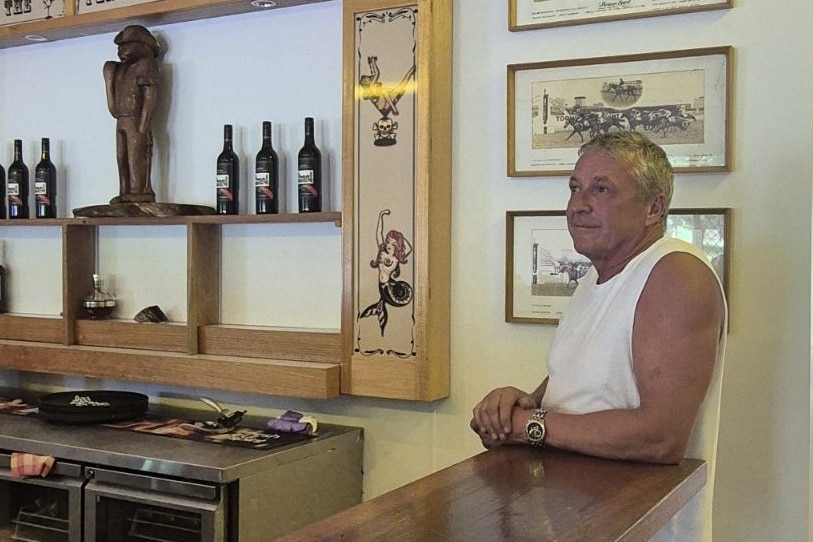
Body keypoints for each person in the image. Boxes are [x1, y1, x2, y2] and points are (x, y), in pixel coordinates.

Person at [471, 131, 727, 541]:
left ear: (654, 207)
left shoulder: (676, 274)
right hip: (574, 519)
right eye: (575, 188)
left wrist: (529, 425)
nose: (578, 205)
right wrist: (515, 404)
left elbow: (660, 436)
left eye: (601, 189)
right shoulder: (596, 278)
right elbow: (576, 388)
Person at [103, 24, 160, 204]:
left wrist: (143, 124)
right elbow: (112, 105)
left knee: (136, 156)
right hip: (121, 118)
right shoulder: (118, 70)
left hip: (136, 120)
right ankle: (124, 190)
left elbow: (150, 97)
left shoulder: (146, 65)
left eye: (127, 46)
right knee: (121, 156)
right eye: (120, 47)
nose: (122, 51)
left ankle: (137, 190)